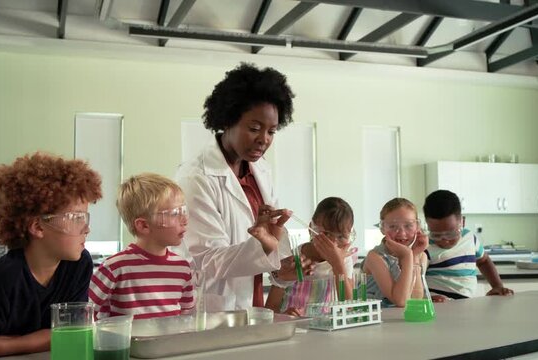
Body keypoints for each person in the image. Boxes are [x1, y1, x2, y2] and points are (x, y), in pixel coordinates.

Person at [0, 153, 101, 357]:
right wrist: (47, 337)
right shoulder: (3, 279)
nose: (87, 228)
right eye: (76, 218)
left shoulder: (80, 264)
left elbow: (74, 333)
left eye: (86, 217)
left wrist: (3, 346)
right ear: (38, 227)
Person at [175, 62, 299, 311]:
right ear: (228, 120)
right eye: (254, 128)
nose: (263, 139)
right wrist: (265, 246)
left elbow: (265, 247)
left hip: (250, 304)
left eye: (272, 131)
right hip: (212, 308)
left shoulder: (261, 171)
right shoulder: (195, 177)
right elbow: (207, 259)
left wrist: (282, 265)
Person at [89, 173, 195, 319]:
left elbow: (186, 318)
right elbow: (85, 315)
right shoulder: (115, 268)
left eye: (183, 211)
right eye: (174, 213)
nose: (184, 220)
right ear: (144, 225)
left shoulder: (182, 267)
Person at [265, 197, 356, 316]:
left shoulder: (344, 260)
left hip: (327, 329)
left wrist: (337, 264)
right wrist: (284, 316)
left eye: (341, 237)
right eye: (326, 234)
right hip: (294, 328)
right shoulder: (293, 258)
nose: (332, 244)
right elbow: (270, 309)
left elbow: (350, 308)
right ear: (311, 229)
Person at [424, 190, 513, 301]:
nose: (444, 240)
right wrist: (425, 298)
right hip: (437, 304)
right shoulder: (425, 246)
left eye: (451, 234)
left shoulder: (470, 238)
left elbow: (484, 261)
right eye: (436, 235)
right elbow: (416, 278)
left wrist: (497, 286)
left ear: (462, 222)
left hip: (466, 302)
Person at [362, 198, 429, 307]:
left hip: (398, 320)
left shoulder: (421, 256)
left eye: (408, 225)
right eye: (393, 226)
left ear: (417, 226)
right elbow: (401, 301)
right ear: (382, 228)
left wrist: (414, 256)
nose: (402, 233)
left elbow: (416, 298)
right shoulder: (375, 257)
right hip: (374, 320)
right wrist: (408, 257)